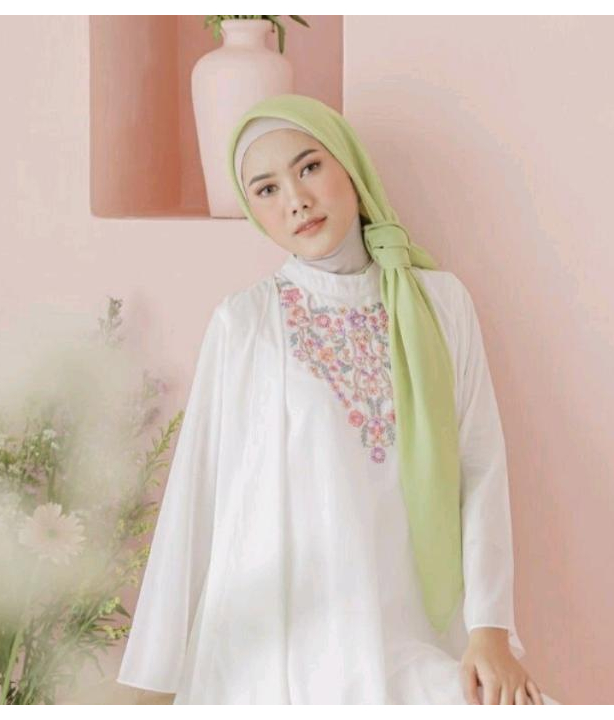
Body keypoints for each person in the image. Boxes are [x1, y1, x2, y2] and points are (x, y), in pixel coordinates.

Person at [116, 94, 559, 704]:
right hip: (284, 652)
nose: (296, 199)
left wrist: (490, 632)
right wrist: (153, 680)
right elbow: (198, 494)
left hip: (417, 636)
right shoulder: (247, 322)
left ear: (349, 166)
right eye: (266, 189)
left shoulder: (440, 302)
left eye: (309, 167)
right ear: (253, 211)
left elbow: (479, 468)